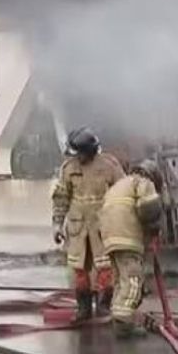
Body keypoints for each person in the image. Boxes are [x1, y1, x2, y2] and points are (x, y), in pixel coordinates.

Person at [52, 127, 125, 322]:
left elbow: (124, 192)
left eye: (81, 155)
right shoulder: (68, 168)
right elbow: (61, 198)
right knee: (79, 269)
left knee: (106, 268)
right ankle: (83, 308)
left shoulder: (109, 165)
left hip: (103, 226)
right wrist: (57, 225)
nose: (78, 159)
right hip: (78, 228)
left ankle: (104, 306)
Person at [98, 159, 164, 339]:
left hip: (109, 239)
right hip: (127, 237)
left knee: (121, 281)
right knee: (133, 280)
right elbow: (149, 209)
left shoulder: (120, 185)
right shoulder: (143, 183)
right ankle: (124, 324)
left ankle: (119, 316)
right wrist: (154, 227)